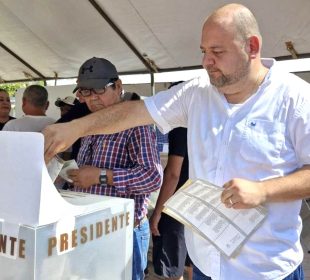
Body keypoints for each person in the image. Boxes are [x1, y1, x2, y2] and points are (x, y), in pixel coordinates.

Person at [43, 4, 310, 280]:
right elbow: (135, 111)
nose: (207, 61)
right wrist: (74, 129)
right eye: (204, 51)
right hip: (205, 268)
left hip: (266, 270)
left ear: (252, 47)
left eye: (217, 52)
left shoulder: (296, 99)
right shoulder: (196, 93)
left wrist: (264, 191)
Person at [64, 57, 162, 280]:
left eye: (99, 89)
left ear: (117, 86)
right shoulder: (90, 123)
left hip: (124, 231)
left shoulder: (136, 124)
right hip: (90, 230)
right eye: (85, 92)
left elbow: (152, 177)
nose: (92, 99)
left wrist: (100, 176)